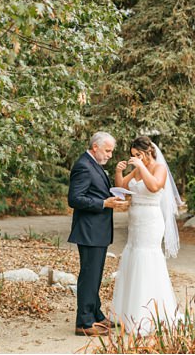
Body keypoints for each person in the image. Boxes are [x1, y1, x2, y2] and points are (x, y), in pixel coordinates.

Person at [109, 136, 183, 335]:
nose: (135, 157)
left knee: (146, 257)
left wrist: (141, 166)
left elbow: (154, 186)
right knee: (132, 255)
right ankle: (126, 313)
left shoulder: (159, 168)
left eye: (138, 154)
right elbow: (122, 188)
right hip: (135, 220)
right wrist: (118, 171)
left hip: (151, 219)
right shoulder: (136, 168)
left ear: (149, 151)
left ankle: (146, 316)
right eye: (133, 155)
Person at [66, 132, 130, 336]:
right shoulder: (83, 166)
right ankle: (84, 323)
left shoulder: (94, 164)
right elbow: (74, 199)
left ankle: (95, 314)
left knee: (95, 276)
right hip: (88, 231)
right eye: (108, 150)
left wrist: (112, 198)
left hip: (97, 230)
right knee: (89, 276)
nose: (110, 155)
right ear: (95, 147)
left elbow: (95, 193)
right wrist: (104, 203)